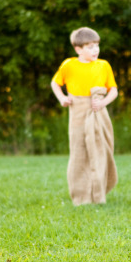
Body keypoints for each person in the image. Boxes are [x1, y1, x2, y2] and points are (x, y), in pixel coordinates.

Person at [51, 27, 118, 205]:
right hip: (78, 111)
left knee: (101, 149)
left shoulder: (104, 65)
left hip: (99, 110)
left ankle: (99, 194)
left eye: (97, 45)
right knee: (79, 151)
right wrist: (62, 98)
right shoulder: (69, 65)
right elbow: (55, 83)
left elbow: (114, 90)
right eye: (89, 46)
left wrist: (103, 103)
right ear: (78, 49)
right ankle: (81, 196)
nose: (95, 50)